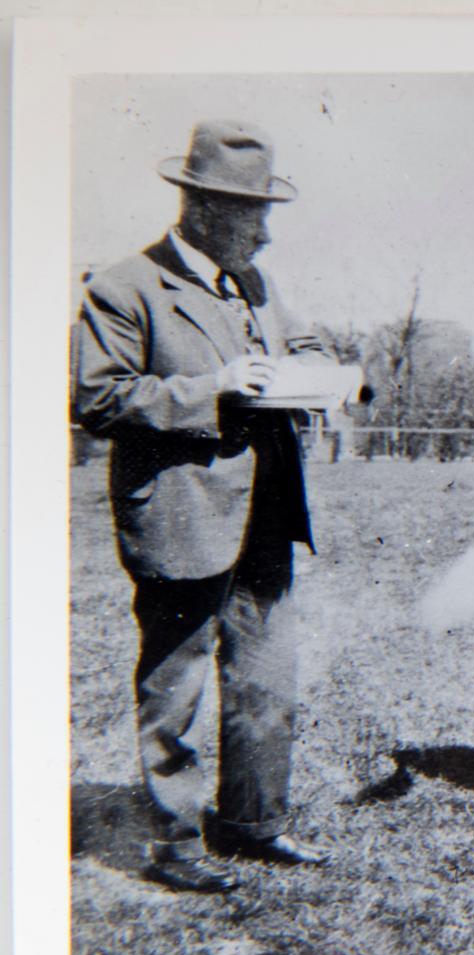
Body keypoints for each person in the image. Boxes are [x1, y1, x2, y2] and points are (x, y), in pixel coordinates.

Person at [74, 119, 334, 891]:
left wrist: (323, 373)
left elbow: (303, 342)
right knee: (176, 685)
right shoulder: (124, 286)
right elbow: (97, 396)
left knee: (267, 678)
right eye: (254, 214)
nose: (265, 234)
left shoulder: (255, 284)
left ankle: (254, 824)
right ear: (204, 209)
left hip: (266, 514)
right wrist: (210, 389)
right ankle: (174, 845)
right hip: (182, 516)